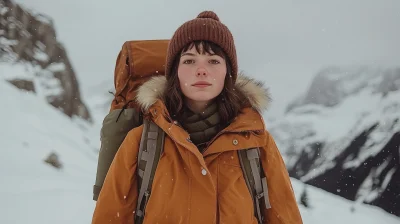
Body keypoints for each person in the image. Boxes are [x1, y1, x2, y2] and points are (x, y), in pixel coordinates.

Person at [92, 10, 302, 224]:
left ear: (228, 73)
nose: (201, 70)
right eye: (189, 61)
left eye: (213, 61)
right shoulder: (142, 142)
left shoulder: (257, 143)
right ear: (175, 72)